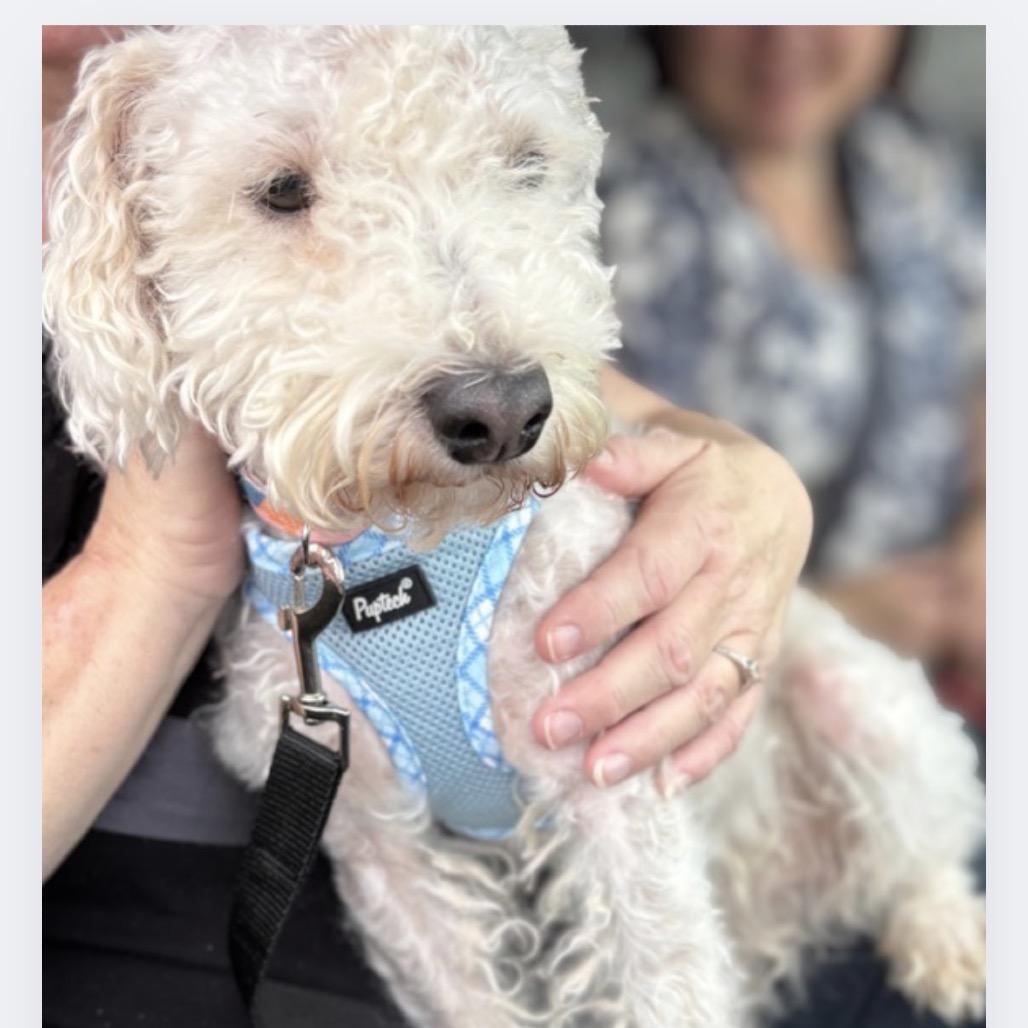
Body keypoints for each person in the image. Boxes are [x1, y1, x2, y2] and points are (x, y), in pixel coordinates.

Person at [42, 27, 812, 1026]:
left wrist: (747, 478)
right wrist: (159, 554)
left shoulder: (299, 46)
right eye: (285, 194)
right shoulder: (162, 112)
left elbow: (573, 406)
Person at [600, 26, 986, 723]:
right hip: (760, 722)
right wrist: (827, 621)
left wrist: (989, 536)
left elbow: (984, 365)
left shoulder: (915, 163)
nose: (782, 36)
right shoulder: (614, 211)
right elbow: (605, 533)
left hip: (956, 676)